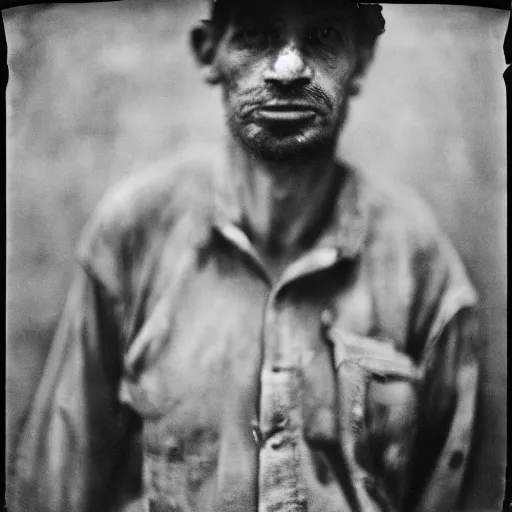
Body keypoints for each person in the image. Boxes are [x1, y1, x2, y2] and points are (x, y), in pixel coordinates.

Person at [11, 0, 482, 510]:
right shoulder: (133, 234)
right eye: (255, 36)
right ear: (208, 51)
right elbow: (57, 485)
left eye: (323, 36)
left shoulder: (420, 265)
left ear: (363, 56)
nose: (288, 68)